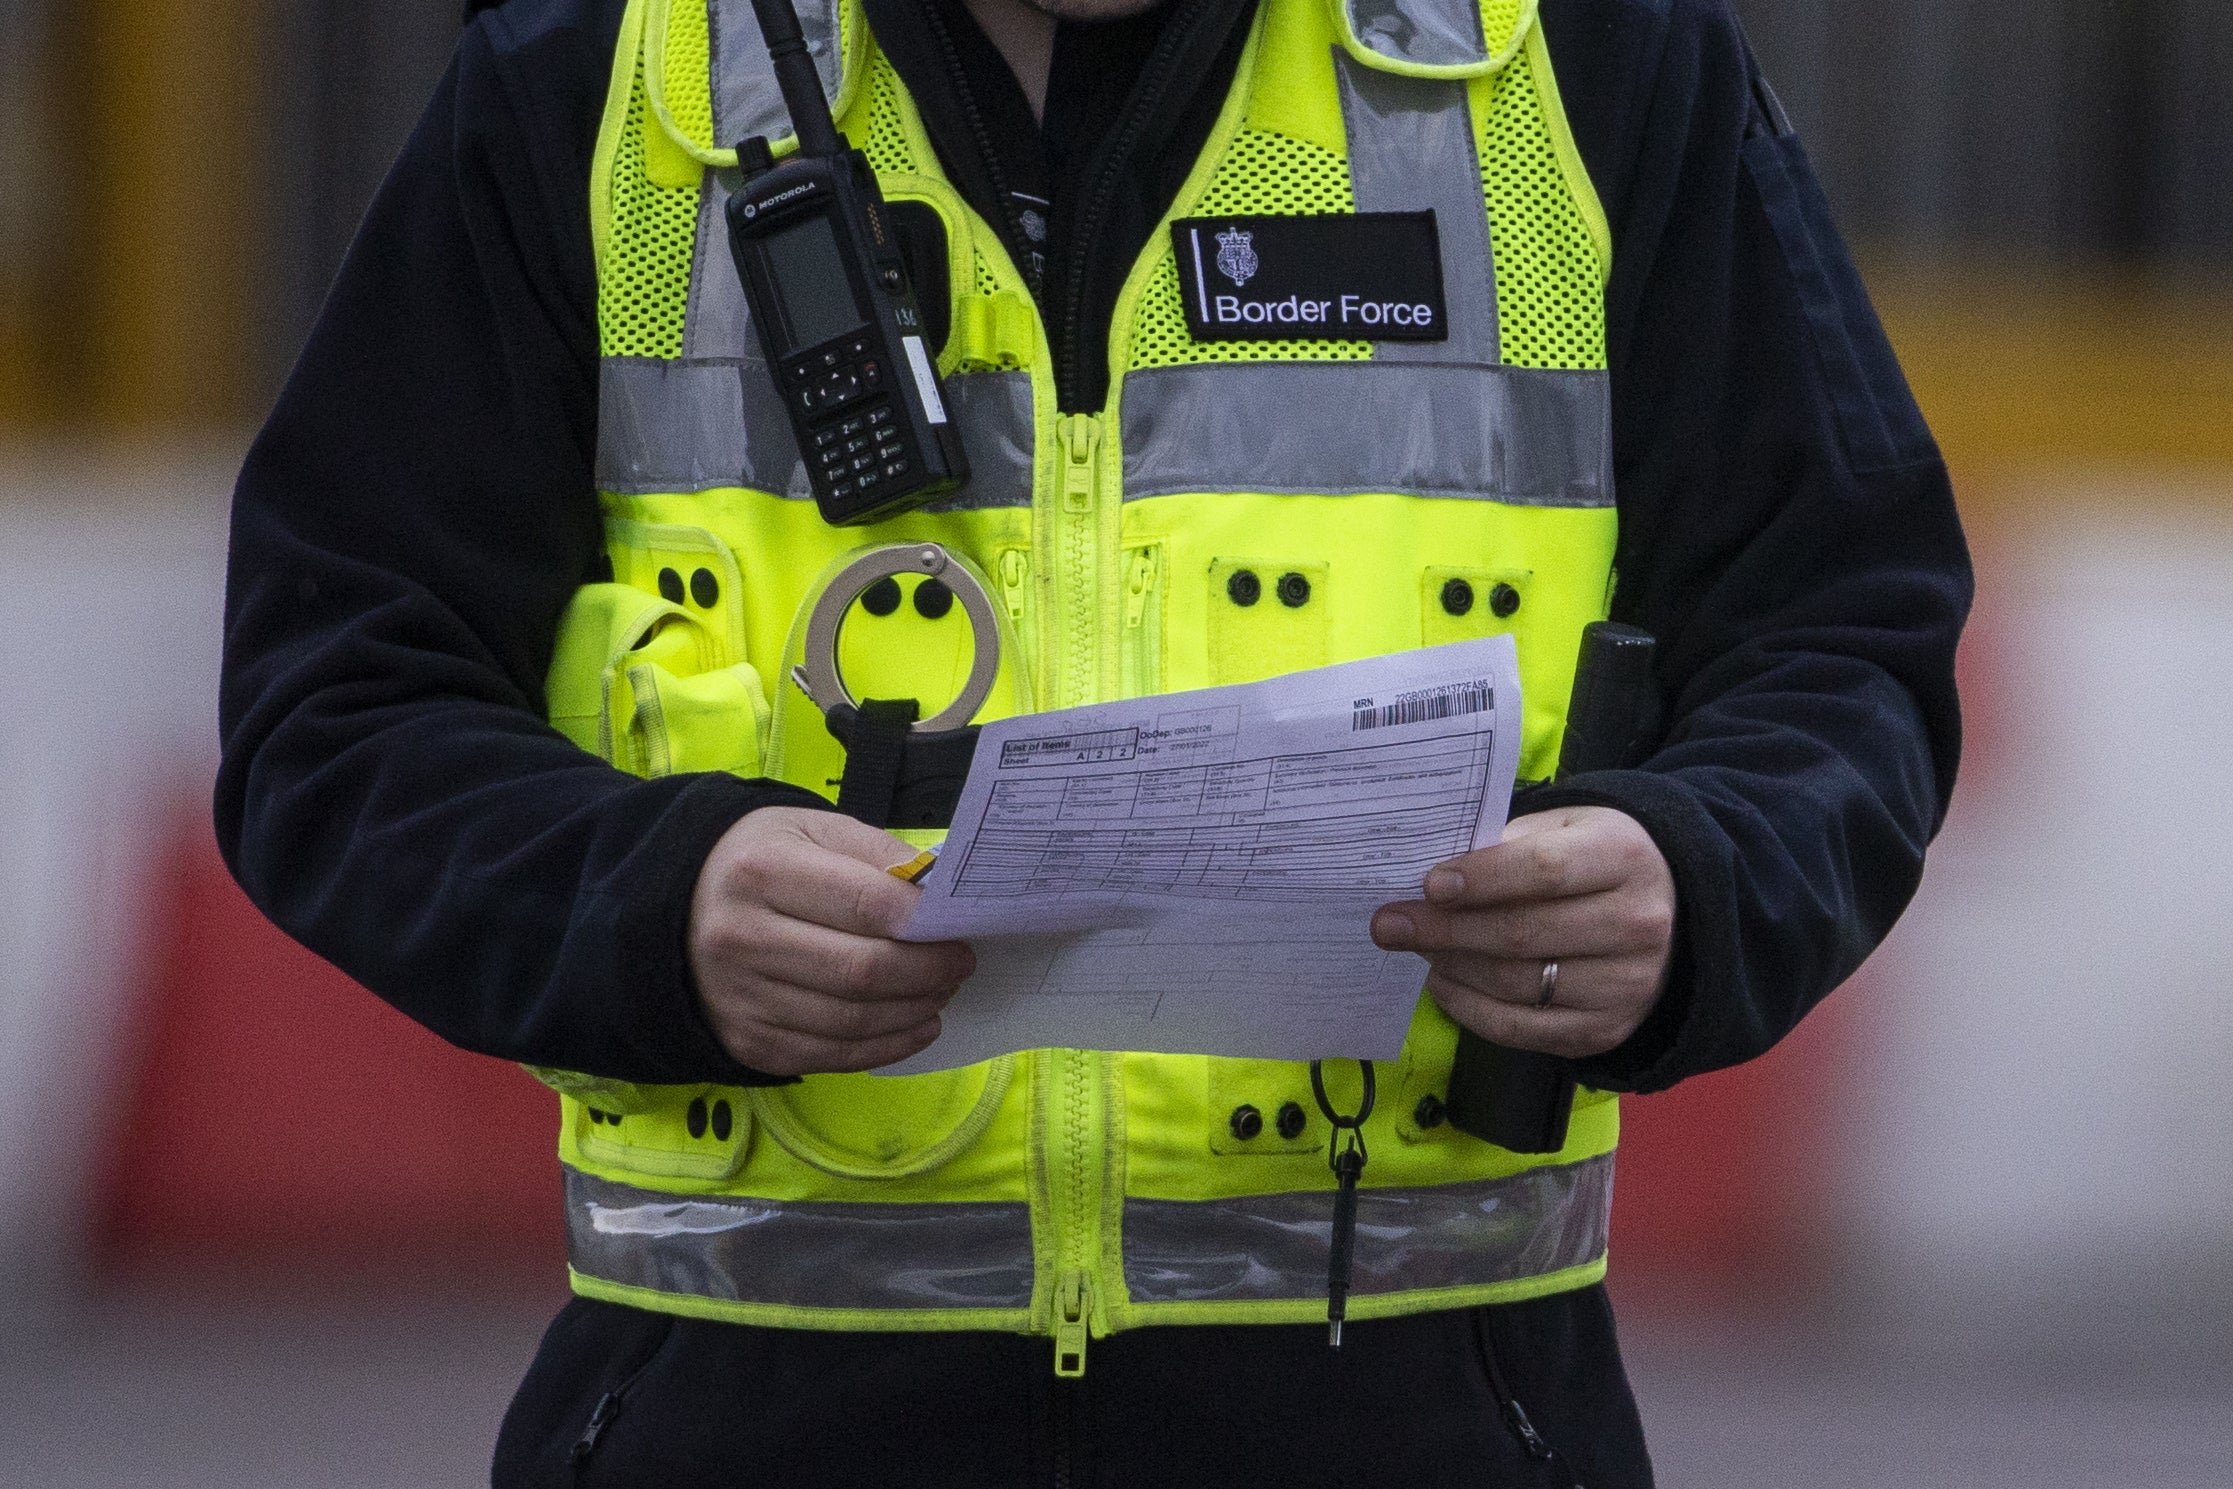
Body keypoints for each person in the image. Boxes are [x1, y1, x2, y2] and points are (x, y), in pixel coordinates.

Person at [215, 0, 1970, 1480]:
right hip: (742, 1416)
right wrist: (652, 904)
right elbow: (331, 706)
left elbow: (1844, 636)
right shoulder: (594, 83)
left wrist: (1697, 872)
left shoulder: (1573, 65)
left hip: (1430, 1415)